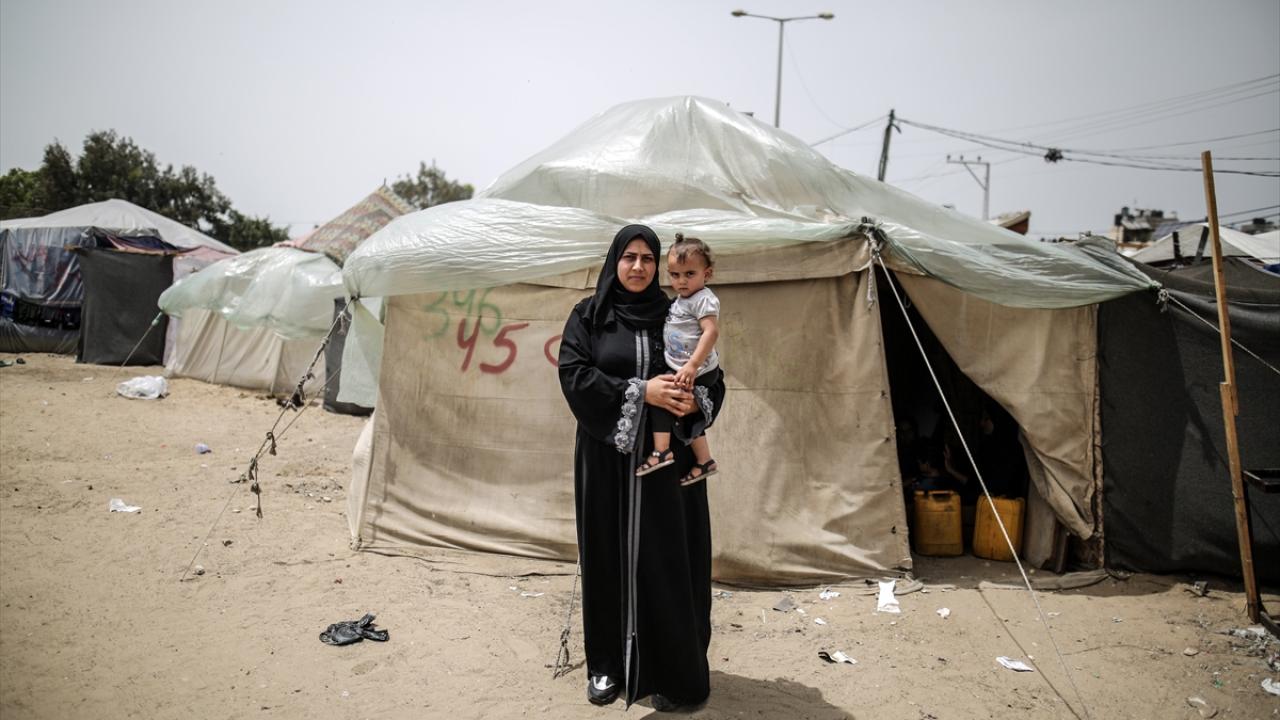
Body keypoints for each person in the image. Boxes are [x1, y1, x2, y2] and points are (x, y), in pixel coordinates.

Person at [557, 224, 726, 712]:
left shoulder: (676, 311)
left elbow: (713, 375)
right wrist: (641, 391)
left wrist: (693, 400)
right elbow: (574, 375)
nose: (638, 266)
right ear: (615, 261)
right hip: (605, 461)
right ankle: (607, 665)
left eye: (648, 258)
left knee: (671, 560)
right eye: (629, 257)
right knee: (606, 556)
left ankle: (675, 673)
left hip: (669, 468)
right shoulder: (589, 316)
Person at [636, 233, 722, 485]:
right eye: (675, 275)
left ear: (707, 274)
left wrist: (693, 365)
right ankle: (705, 460)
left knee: (663, 400)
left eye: (689, 274)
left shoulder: (703, 299)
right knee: (683, 411)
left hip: (698, 368)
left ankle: (662, 451)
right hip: (684, 367)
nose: (681, 281)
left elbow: (711, 332)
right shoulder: (680, 300)